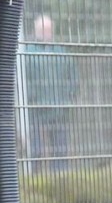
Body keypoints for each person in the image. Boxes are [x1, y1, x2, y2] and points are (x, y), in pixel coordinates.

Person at [24, 14, 78, 172]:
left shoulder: (62, 52)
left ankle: (60, 176)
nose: (46, 32)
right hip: (36, 108)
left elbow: (73, 76)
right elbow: (24, 80)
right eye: (43, 29)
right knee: (36, 147)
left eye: (48, 29)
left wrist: (68, 96)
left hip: (59, 107)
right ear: (36, 31)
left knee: (60, 147)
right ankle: (34, 177)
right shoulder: (28, 53)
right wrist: (32, 97)